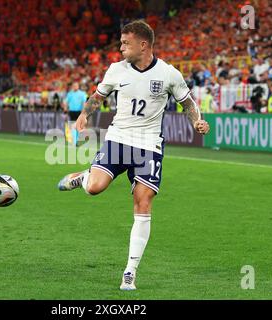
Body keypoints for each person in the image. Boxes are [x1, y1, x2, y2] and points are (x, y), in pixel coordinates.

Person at [57, 20, 210, 290]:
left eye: (125, 43)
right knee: (94, 188)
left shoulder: (168, 74)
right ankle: (84, 178)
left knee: (143, 202)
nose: (120, 47)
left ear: (143, 45)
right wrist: (84, 115)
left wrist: (197, 121)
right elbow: (98, 96)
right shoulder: (116, 69)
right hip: (118, 138)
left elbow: (188, 103)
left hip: (149, 145)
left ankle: (130, 271)